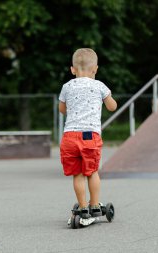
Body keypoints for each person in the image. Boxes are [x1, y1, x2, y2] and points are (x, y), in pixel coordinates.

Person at [59, 48, 117, 219]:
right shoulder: (99, 86)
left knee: (77, 174)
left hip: (69, 137)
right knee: (92, 172)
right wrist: (108, 97)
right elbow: (112, 107)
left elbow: (62, 109)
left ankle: (83, 207)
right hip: (90, 137)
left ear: (72, 69)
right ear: (95, 69)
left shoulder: (67, 86)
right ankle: (95, 205)